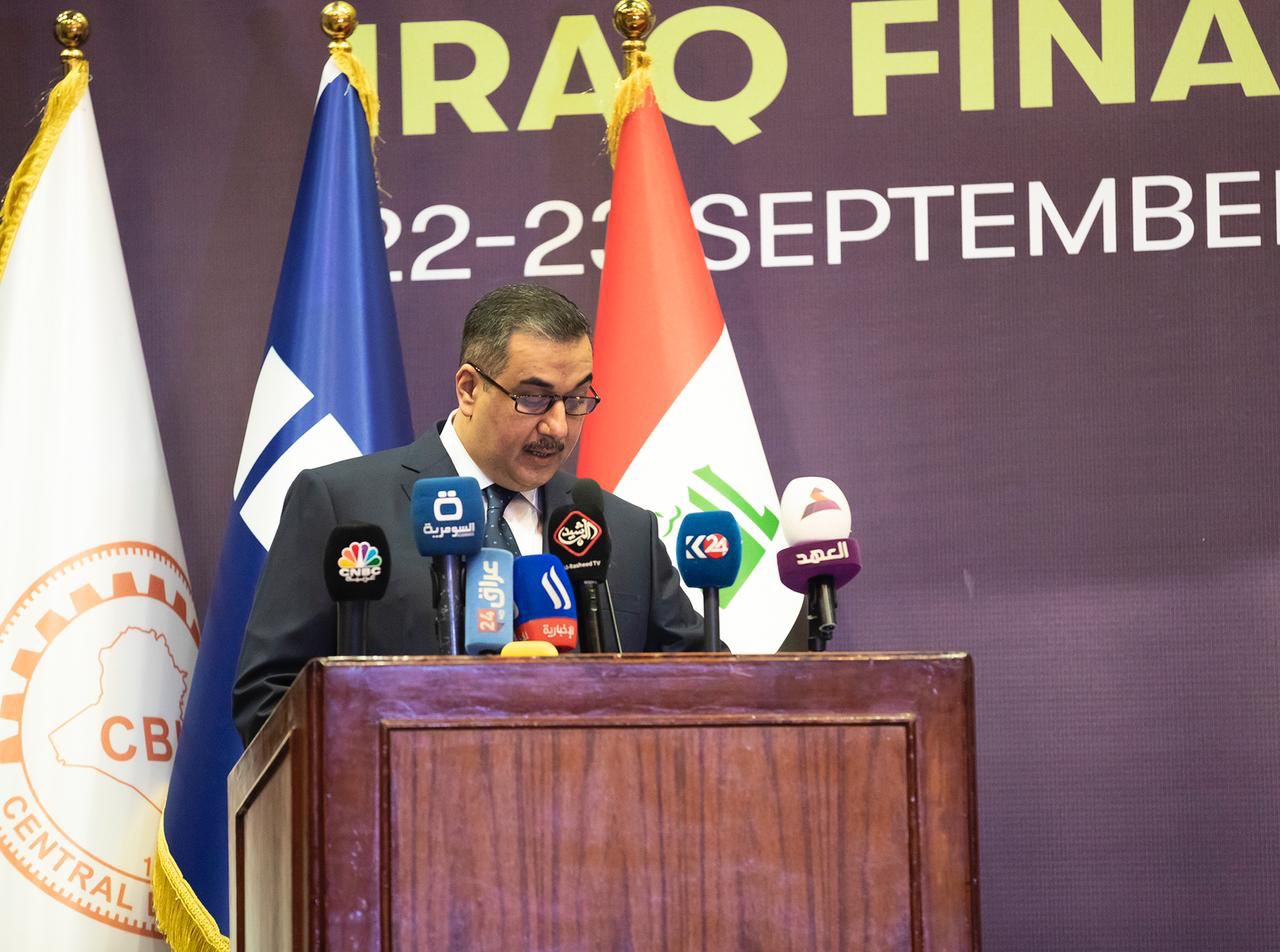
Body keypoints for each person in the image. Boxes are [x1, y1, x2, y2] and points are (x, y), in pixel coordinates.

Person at [232, 284, 704, 743]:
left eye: (576, 400)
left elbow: (705, 692)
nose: (558, 427)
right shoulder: (344, 504)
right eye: (533, 398)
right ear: (470, 389)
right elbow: (269, 697)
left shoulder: (622, 529)